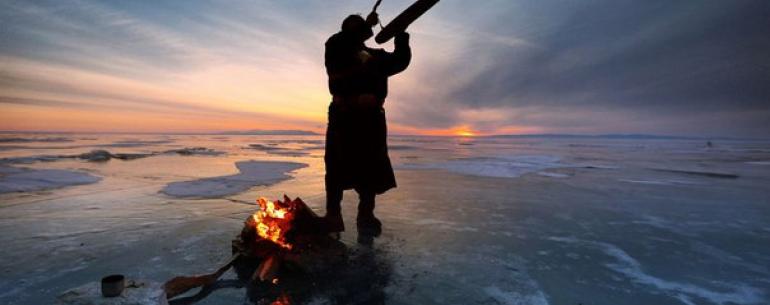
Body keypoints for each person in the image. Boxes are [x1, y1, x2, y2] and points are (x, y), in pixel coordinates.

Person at [323, 11, 412, 236]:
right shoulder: (335, 47)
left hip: (371, 119)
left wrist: (401, 35)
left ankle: (366, 214)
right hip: (343, 116)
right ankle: (333, 215)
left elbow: (400, 61)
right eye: (353, 26)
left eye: (359, 25)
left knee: (370, 166)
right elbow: (343, 40)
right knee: (336, 164)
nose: (356, 30)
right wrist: (367, 25)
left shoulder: (376, 56)